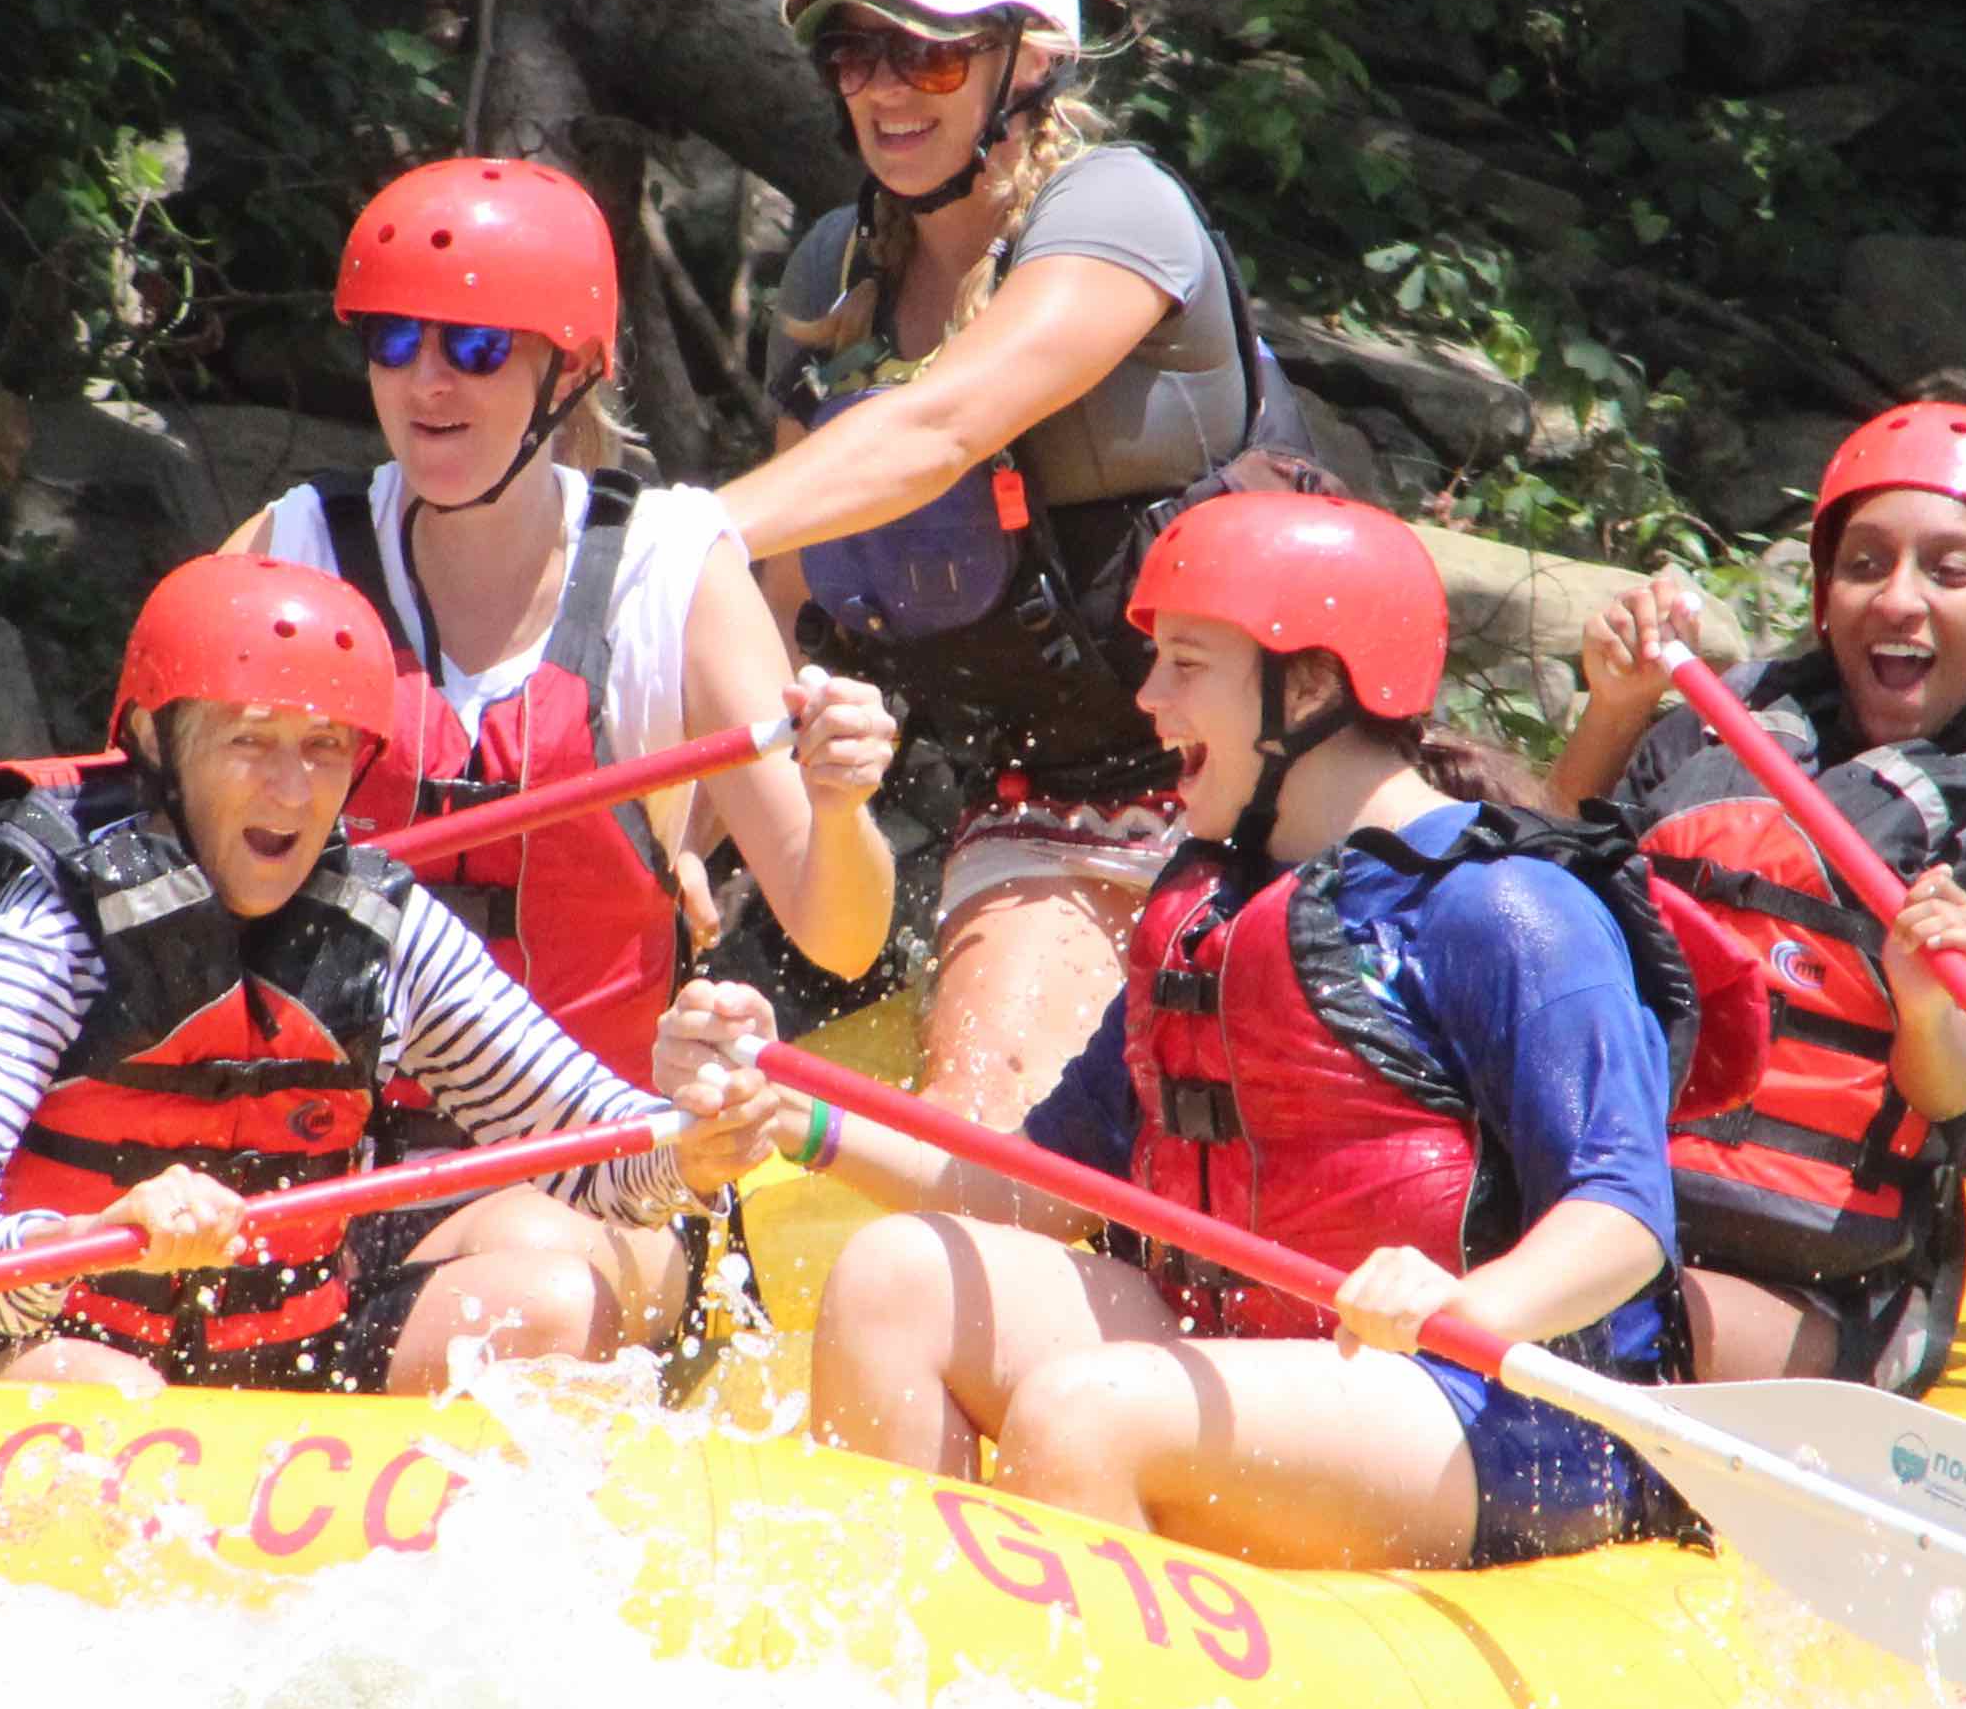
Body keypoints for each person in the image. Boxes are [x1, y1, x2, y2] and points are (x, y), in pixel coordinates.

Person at [663, 495, 1744, 1575]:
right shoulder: (1216, 915)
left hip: (1490, 1406)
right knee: (895, 1280)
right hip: (1256, 1353)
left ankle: (1065, 1698)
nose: (1146, 699)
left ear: (1311, 688)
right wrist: (793, 1114)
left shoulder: (1509, 911)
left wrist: (1467, 1304)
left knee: (1086, 1414)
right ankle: (896, 1634)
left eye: (1186, 664)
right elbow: (1028, 1186)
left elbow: (1623, 1210)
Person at [0, 552, 772, 1396]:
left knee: (552, 1301)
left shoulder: (386, 932)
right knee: (107, 1393)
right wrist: (82, 1239)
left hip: (276, 1357)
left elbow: (591, 1142)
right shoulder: (50, 931)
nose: (293, 791)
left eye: (324, 747)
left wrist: (696, 1135)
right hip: (40, 1353)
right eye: (250, 740)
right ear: (160, 744)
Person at [227, 155, 898, 1333]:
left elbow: (840, 937)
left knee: (529, 1275)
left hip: (602, 1183)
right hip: (318, 1181)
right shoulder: (286, 556)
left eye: (477, 350)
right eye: (394, 342)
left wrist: (840, 808)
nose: (425, 383)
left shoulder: (669, 573)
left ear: (571, 371)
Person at [707, 0, 1323, 1126]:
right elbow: (766, 603)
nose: (882, 88)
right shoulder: (831, 271)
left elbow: (936, 428)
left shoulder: (1117, 211)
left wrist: (686, 528)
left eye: (927, 58)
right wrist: (691, 832)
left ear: (1028, 59)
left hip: (1277, 777)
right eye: (853, 52)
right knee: (985, 1133)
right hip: (1046, 800)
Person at [1549, 403, 1966, 1395]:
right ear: (1824, 595)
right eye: (1864, 565)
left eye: (1949, 572)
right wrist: (1614, 711)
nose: (1897, 599)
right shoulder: (1722, 729)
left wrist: (1925, 994)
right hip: (1597, 1206)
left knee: (1584, 1330)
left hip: (1819, 1292)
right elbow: (1551, 889)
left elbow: (1950, 1083)